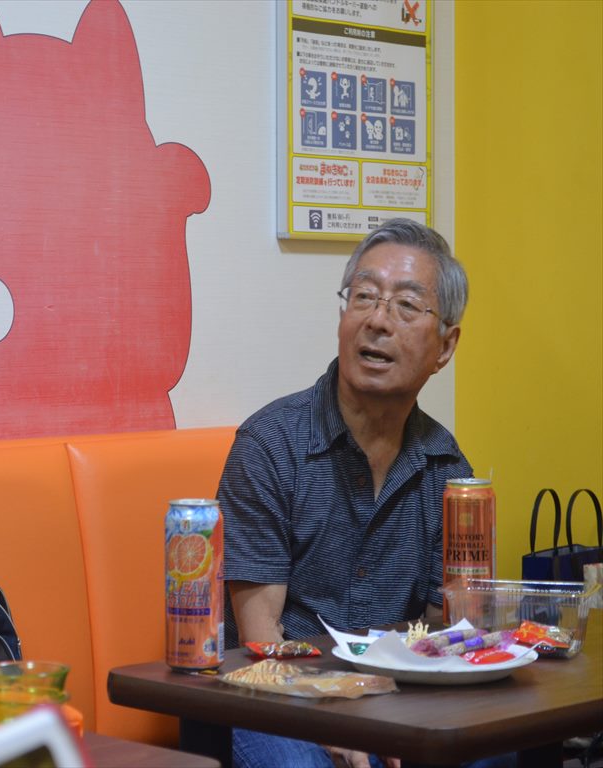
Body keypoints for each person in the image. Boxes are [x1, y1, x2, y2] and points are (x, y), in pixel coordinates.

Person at [220, 219, 513, 768]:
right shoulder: (270, 446)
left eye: (406, 305)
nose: (377, 321)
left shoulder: (447, 470)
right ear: (343, 315)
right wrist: (337, 715)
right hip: (278, 694)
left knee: (496, 748)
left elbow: (445, 636)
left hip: (396, 694)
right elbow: (261, 645)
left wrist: (395, 717)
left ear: (445, 346)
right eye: (364, 297)